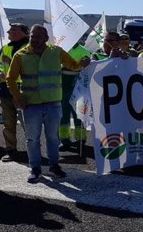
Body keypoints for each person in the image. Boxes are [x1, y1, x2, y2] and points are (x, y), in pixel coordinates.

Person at [6, 25, 90, 183]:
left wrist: (82, 62)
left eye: (38, 36)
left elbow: (72, 65)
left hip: (53, 104)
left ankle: (54, 165)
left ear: (45, 38)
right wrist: (18, 97)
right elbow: (10, 78)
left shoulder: (56, 51)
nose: (34, 39)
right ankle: (35, 168)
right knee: (32, 139)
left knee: (53, 137)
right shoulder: (20, 55)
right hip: (31, 105)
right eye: (32, 36)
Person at [0, 23, 29, 162]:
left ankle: (33, 150)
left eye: (14, 30)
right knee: (8, 123)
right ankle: (10, 150)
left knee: (28, 122)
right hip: (5, 90)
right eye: (9, 30)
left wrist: (12, 61)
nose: (9, 32)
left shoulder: (30, 48)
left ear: (25, 32)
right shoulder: (5, 47)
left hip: (23, 90)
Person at [59, 43, 91, 151]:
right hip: (63, 85)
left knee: (78, 113)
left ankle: (81, 139)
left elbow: (87, 68)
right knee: (63, 114)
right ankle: (64, 140)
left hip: (77, 85)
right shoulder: (61, 48)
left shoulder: (84, 51)